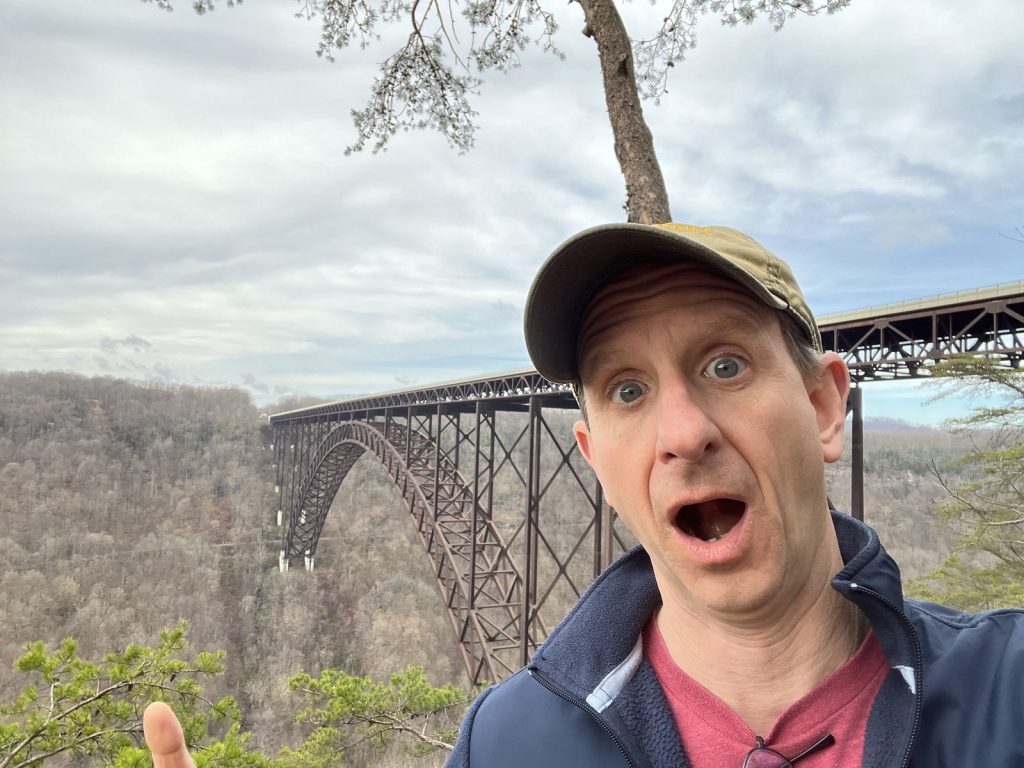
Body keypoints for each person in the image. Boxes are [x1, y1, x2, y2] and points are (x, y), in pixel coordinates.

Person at [142, 223, 1024, 767]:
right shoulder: (506, 745)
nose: (683, 430)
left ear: (826, 405)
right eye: (627, 389)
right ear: (594, 458)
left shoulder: (1006, 696)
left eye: (725, 364)